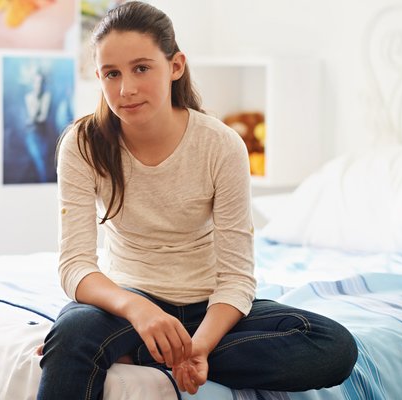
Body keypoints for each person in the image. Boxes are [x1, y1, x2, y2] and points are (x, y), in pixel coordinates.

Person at [35, 2, 358, 399]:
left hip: (210, 308)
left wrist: (199, 346)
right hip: (130, 302)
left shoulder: (220, 145)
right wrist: (141, 311)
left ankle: (143, 353)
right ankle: (141, 341)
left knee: (332, 345)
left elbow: (237, 277)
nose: (126, 89)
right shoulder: (84, 144)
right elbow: (75, 266)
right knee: (73, 333)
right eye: (111, 74)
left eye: (141, 68)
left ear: (175, 65)